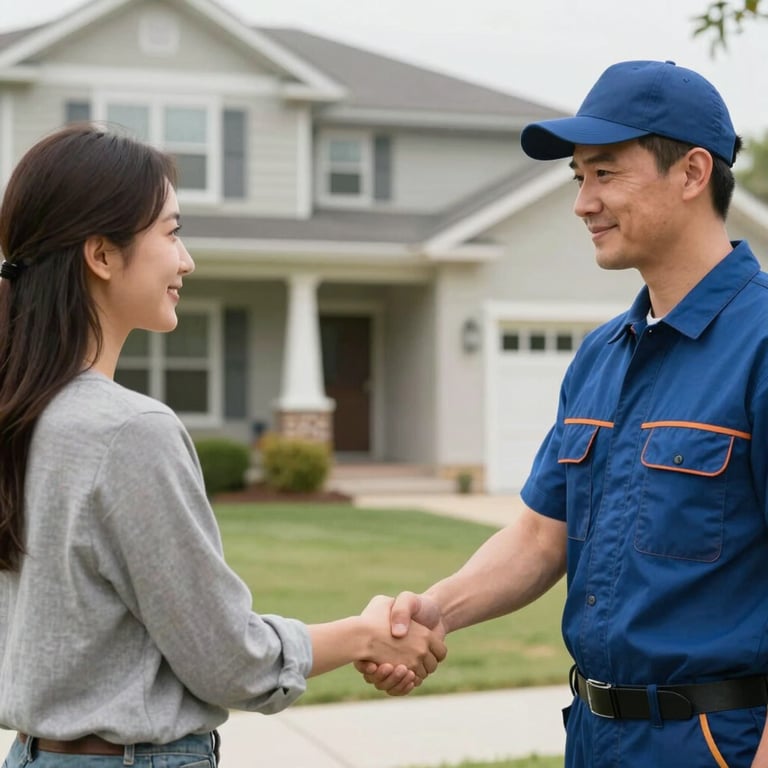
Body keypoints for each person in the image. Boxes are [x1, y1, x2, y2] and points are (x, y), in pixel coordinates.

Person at [358, 60, 768, 767]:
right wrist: (435, 611)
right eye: (578, 177)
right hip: (593, 736)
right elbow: (542, 538)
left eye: (604, 174)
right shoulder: (602, 355)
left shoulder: (761, 344)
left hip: (714, 745)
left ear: (694, 172)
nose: (583, 202)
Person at [0, 124, 446, 768]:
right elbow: (228, 661)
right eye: (171, 232)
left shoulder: (22, 415)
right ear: (101, 255)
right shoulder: (128, 431)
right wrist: (364, 635)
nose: (186, 261)